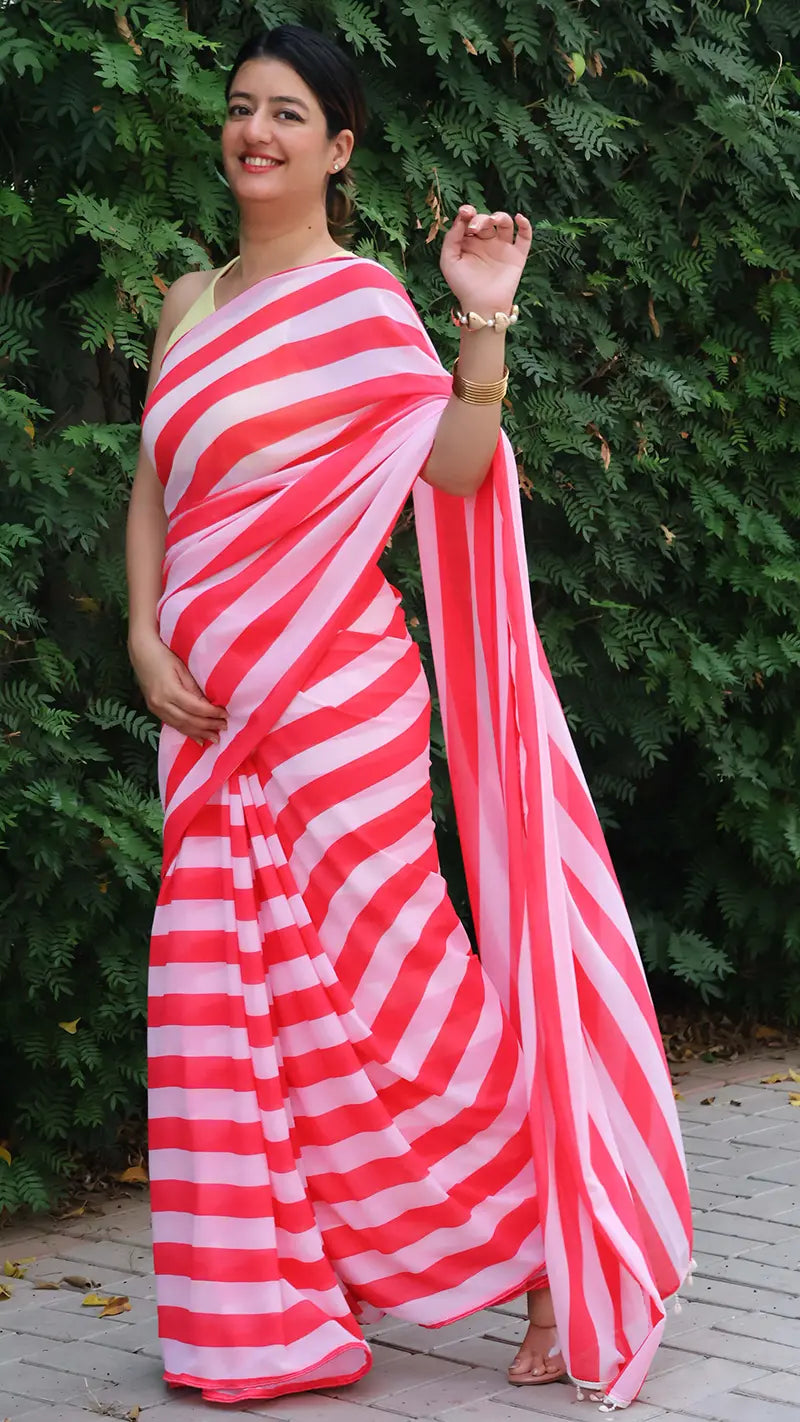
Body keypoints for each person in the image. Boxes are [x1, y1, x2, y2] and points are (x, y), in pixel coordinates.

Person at [127, 23, 692, 1412]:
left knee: (397, 993)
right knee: (224, 997)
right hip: (202, 719)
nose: (256, 131)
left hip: (338, 713)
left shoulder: (365, 304)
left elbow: (451, 460)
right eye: (241, 108)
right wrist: (142, 629)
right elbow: (153, 487)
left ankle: (556, 1245)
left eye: (288, 113)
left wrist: (480, 320)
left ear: (339, 147)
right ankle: (265, 1315)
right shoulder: (188, 304)